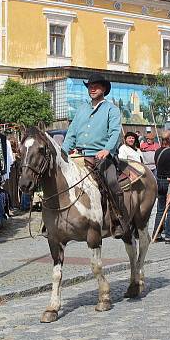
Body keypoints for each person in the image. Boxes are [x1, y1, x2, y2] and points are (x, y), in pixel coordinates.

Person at [62, 73, 130, 238]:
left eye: (96, 86)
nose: (92, 88)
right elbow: (71, 133)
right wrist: (62, 152)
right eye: (90, 86)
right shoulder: (81, 109)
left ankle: (118, 220)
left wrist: (107, 150)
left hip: (101, 158)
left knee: (112, 183)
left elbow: (115, 133)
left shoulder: (111, 109)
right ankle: (53, 221)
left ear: (104, 89)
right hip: (78, 156)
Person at [152, 131, 170, 243]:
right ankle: (168, 235)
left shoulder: (157, 151)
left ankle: (156, 234)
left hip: (159, 181)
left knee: (160, 210)